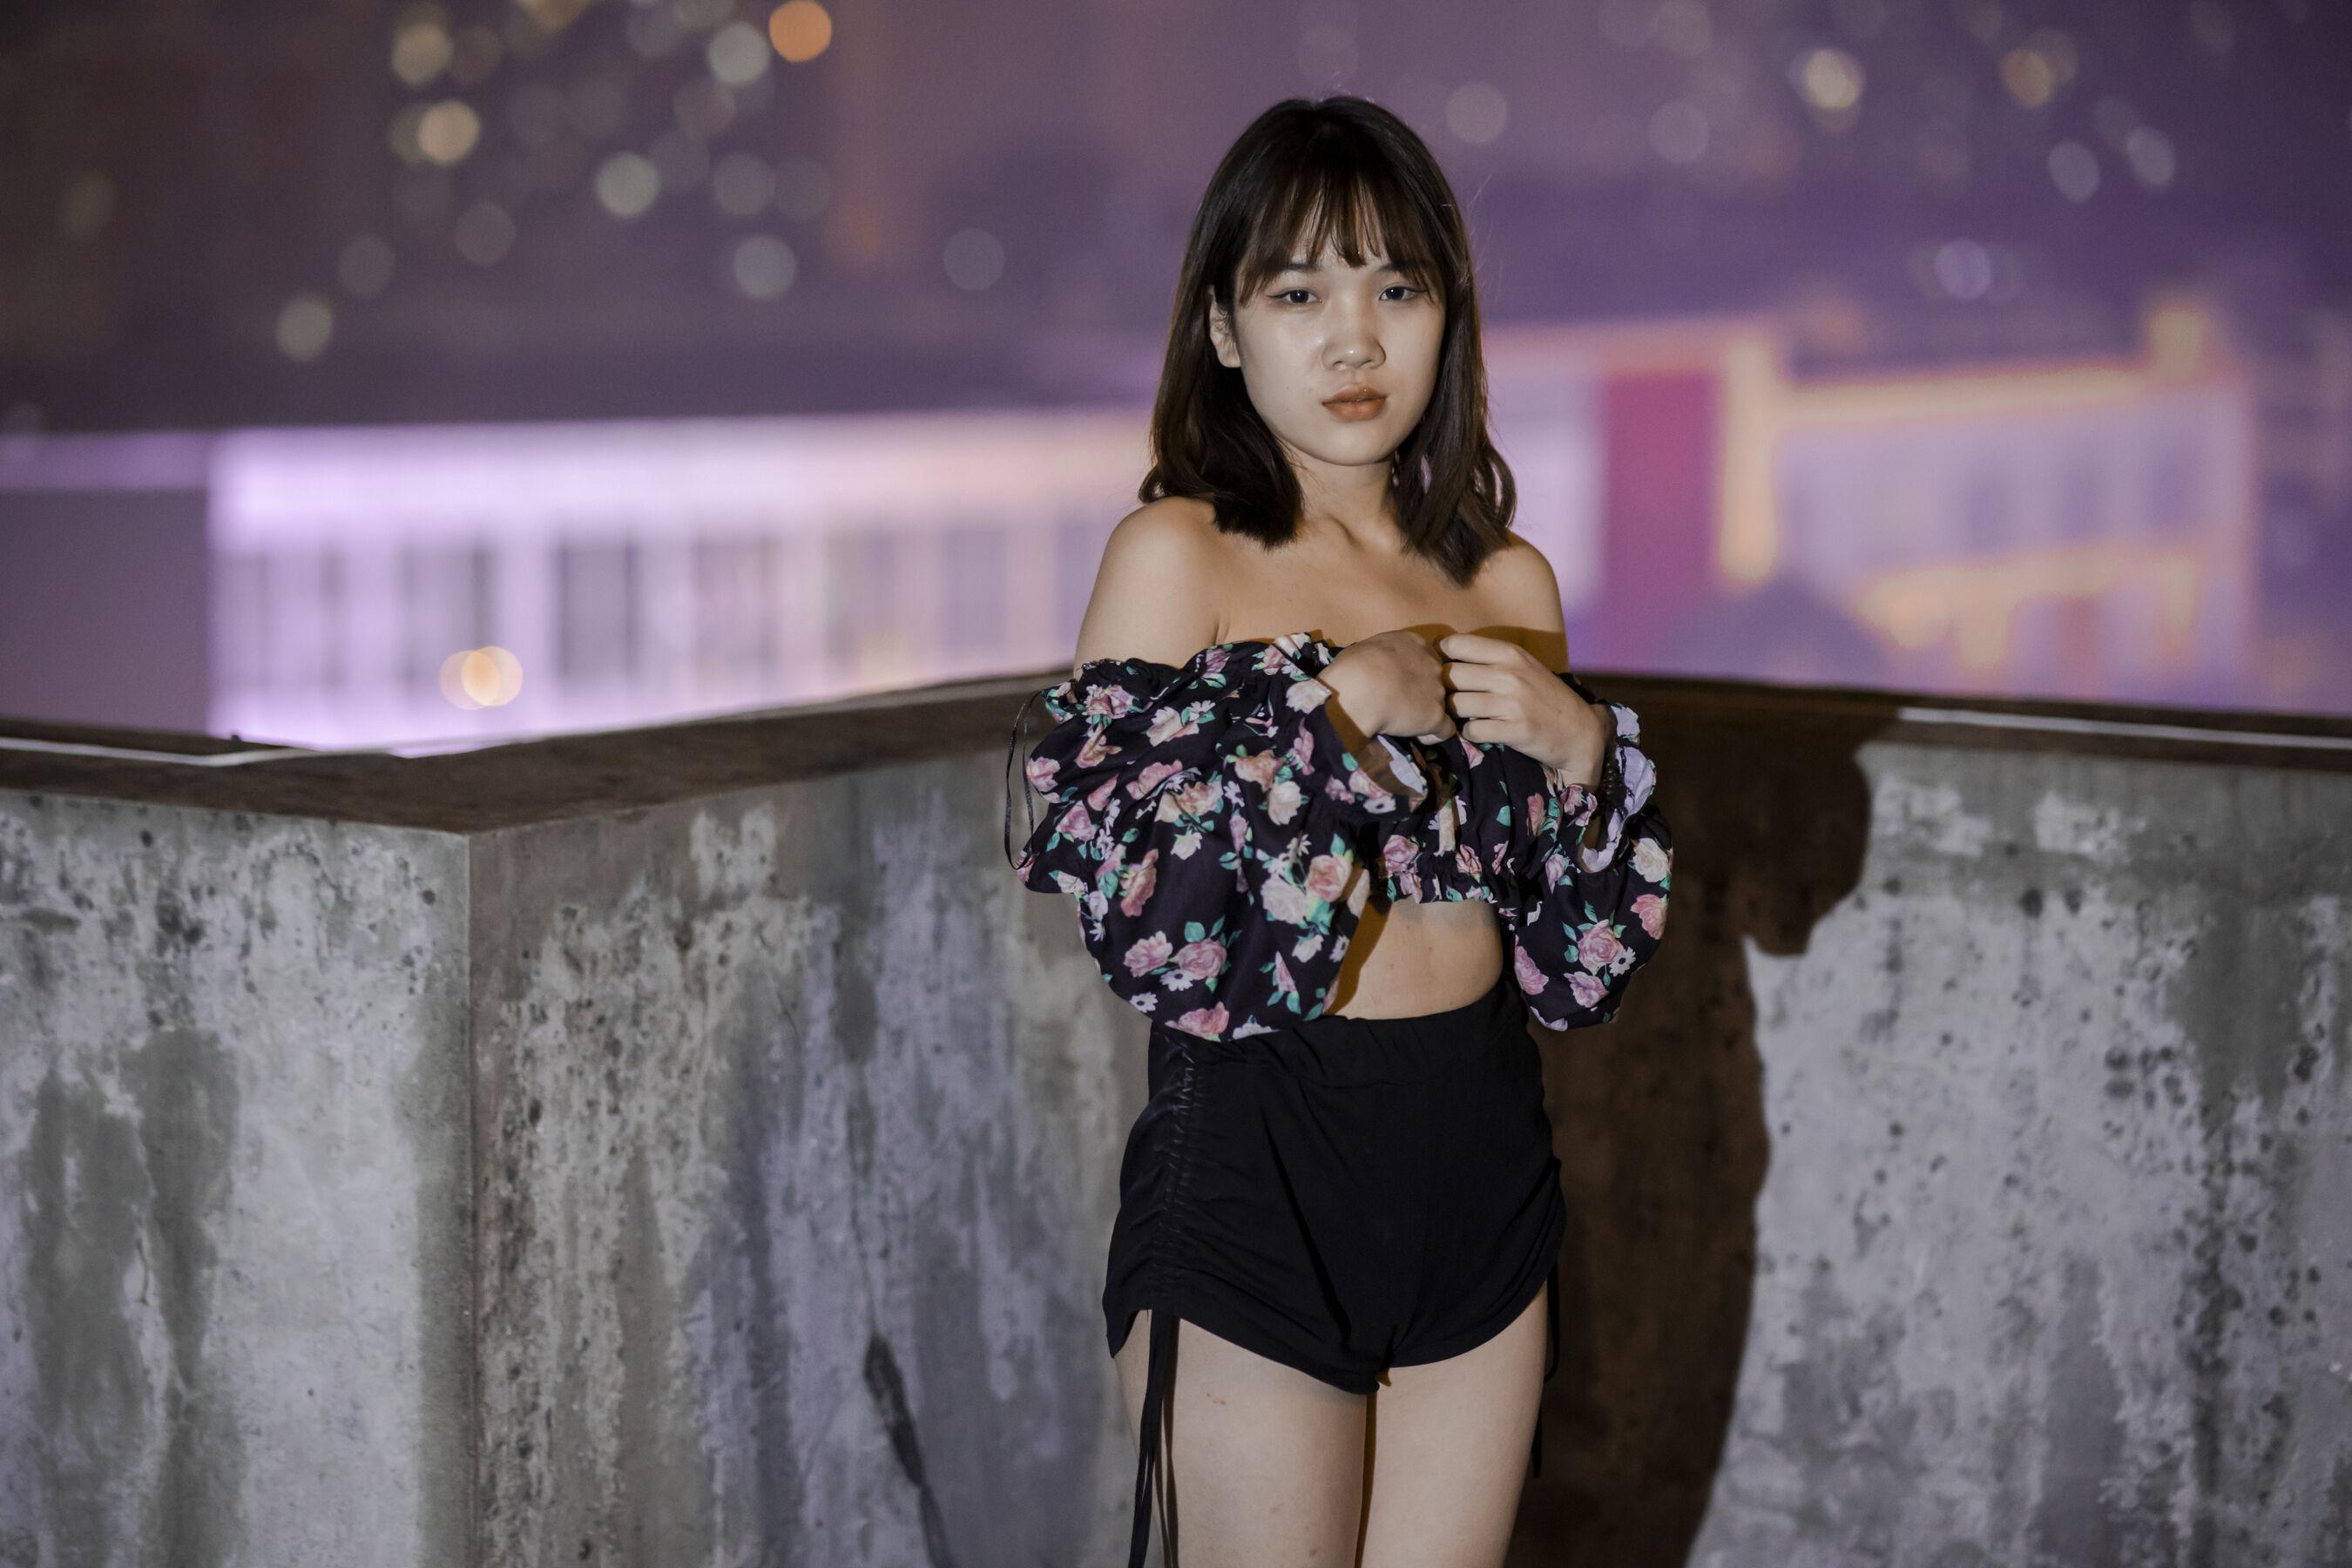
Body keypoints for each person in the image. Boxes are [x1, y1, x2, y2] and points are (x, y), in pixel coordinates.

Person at [1001, 95, 1673, 1568]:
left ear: (1449, 318)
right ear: (1224, 330)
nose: (1355, 340)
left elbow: (1578, 972)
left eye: (1396, 289)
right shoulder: (1178, 553)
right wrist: (1340, 716)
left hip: (1484, 1164)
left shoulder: (1509, 581)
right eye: (1299, 294)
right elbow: (1136, 908)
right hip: (1262, 1161)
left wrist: (1585, 757)